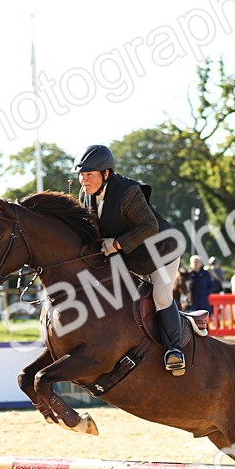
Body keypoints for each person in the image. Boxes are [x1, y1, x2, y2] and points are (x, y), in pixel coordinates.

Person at [73, 143, 186, 374]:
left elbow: (149, 226)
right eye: (82, 175)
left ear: (106, 174)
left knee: (161, 296)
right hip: (132, 257)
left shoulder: (128, 192)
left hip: (163, 251)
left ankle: (175, 351)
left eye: (89, 175)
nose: (84, 180)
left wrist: (115, 244)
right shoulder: (87, 195)